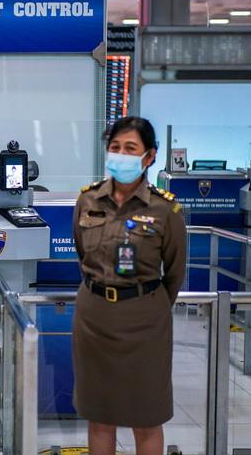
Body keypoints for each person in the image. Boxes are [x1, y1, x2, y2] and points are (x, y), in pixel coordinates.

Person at [72, 116, 187, 455]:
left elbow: (175, 271)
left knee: (146, 416)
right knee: (99, 415)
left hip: (145, 323)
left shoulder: (165, 209)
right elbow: (82, 253)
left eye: (130, 148)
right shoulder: (88, 201)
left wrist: (145, 306)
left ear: (149, 156)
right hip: (94, 320)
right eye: (115, 147)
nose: (120, 155)